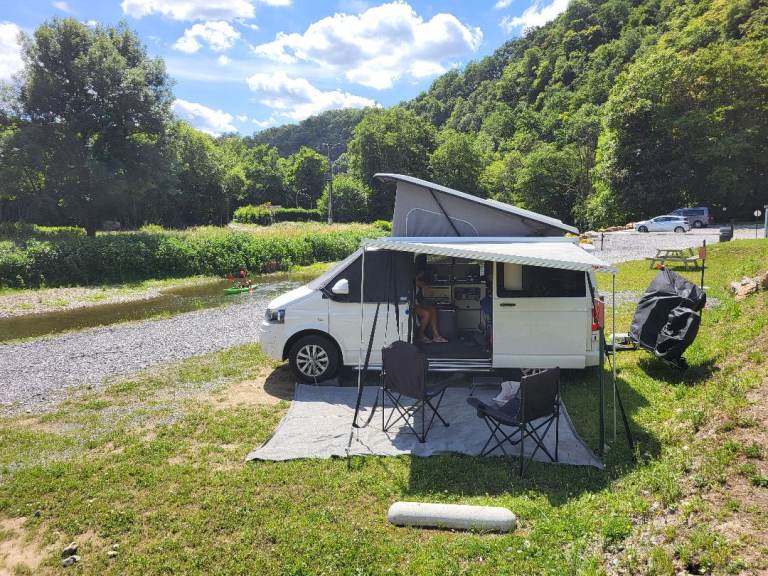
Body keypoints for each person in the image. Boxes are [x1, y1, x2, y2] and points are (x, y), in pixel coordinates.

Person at [414, 254, 448, 343]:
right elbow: (422, 285)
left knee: (432, 309)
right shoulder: (414, 280)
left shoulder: (417, 280)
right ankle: (420, 335)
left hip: (415, 303)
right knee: (426, 313)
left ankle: (436, 335)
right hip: (409, 304)